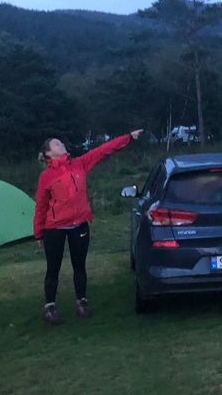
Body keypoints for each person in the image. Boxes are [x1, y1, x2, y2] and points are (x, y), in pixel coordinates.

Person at [34, 129, 143, 324]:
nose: (61, 144)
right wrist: (39, 233)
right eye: (56, 144)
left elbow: (103, 150)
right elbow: (41, 206)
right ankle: (50, 306)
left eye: (61, 142)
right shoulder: (46, 176)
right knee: (53, 268)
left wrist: (128, 137)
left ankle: (81, 302)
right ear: (49, 153)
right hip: (55, 228)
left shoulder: (79, 164)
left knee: (79, 266)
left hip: (79, 225)